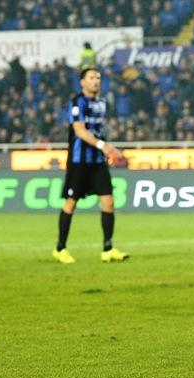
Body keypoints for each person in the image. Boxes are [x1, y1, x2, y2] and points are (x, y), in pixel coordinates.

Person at [52, 67, 129, 264]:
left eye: (98, 78)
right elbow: (79, 130)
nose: (96, 81)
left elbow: (98, 131)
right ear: (82, 82)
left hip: (97, 161)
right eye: (92, 78)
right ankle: (60, 248)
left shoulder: (102, 103)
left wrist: (109, 149)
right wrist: (105, 146)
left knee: (109, 202)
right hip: (79, 162)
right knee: (71, 203)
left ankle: (108, 248)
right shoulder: (77, 102)